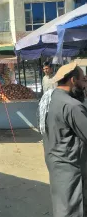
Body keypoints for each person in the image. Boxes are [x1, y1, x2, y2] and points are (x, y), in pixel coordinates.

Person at [39, 62, 86, 217]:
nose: (84, 85)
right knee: (74, 209)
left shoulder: (48, 100)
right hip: (72, 167)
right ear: (73, 80)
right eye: (83, 80)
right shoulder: (72, 106)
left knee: (63, 207)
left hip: (56, 164)